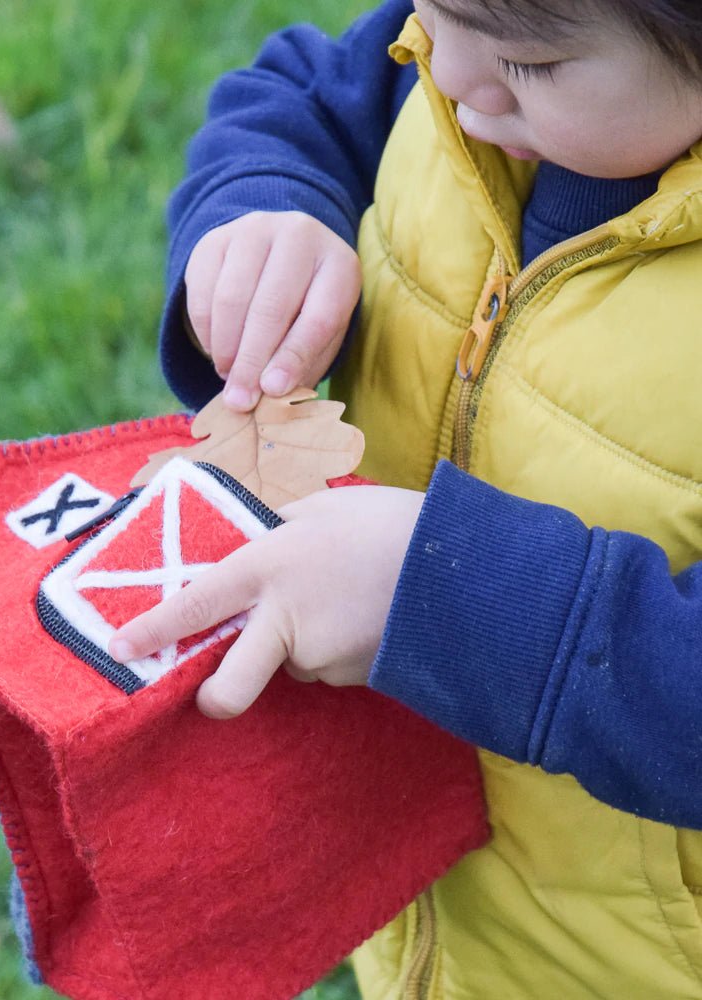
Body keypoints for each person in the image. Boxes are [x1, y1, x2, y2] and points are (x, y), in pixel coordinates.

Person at [108, 0, 702, 995]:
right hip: (437, 906)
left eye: (529, 63)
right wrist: (268, 206)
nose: (440, 74)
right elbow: (302, 96)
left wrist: (442, 599)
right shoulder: (458, 55)